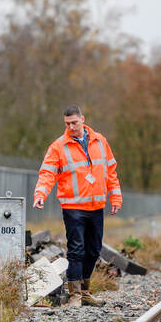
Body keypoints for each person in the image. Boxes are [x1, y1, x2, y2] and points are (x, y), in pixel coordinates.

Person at [33, 105, 122, 307]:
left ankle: (85, 292)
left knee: (93, 250)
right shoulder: (58, 146)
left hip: (96, 206)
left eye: (74, 122)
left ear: (83, 119)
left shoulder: (100, 141)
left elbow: (111, 172)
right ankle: (75, 295)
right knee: (76, 249)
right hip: (73, 207)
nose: (71, 127)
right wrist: (40, 194)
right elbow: (47, 173)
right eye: (67, 124)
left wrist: (115, 198)